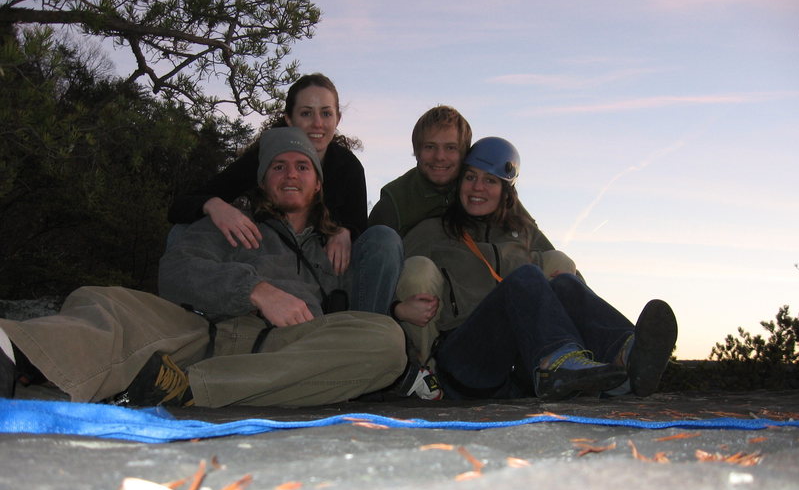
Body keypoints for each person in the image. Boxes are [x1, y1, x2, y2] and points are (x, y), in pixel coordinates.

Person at [0, 128, 406, 407]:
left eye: (302, 166)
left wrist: (402, 309)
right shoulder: (231, 223)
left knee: (386, 341)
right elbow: (177, 272)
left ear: (318, 183)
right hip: (201, 333)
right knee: (106, 303)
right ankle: (15, 353)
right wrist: (255, 291)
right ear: (262, 181)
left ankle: (191, 390)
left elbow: (363, 310)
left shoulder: (337, 245)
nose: (290, 175)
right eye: (278, 166)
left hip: (283, 351)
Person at [392, 136, 678, 401]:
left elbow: (571, 288)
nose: (478, 187)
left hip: (519, 364)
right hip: (465, 358)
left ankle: (627, 355)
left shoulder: (524, 233)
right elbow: (384, 282)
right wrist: (397, 309)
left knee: (564, 281)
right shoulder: (432, 231)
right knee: (526, 276)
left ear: (506, 192)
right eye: (470, 177)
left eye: (490, 181)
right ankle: (556, 365)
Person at [169, 73, 368, 276]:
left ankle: (367, 308)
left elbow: (361, 224)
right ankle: (180, 301)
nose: (318, 123)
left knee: (383, 240)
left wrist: (346, 231)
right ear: (289, 119)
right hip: (268, 256)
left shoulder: (348, 167)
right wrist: (215, 205)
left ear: (337, 119)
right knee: (182, 230)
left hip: (324, 266)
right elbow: (180, 206)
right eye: (306, 114)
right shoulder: (264, 159)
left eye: (326, 113)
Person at [367, 105, 472, 237]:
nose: (439, 157)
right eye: (430, 147)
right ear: (417, 152)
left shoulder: (479, 192)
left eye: (450, 148)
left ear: (464, 154)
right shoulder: (394, 204)